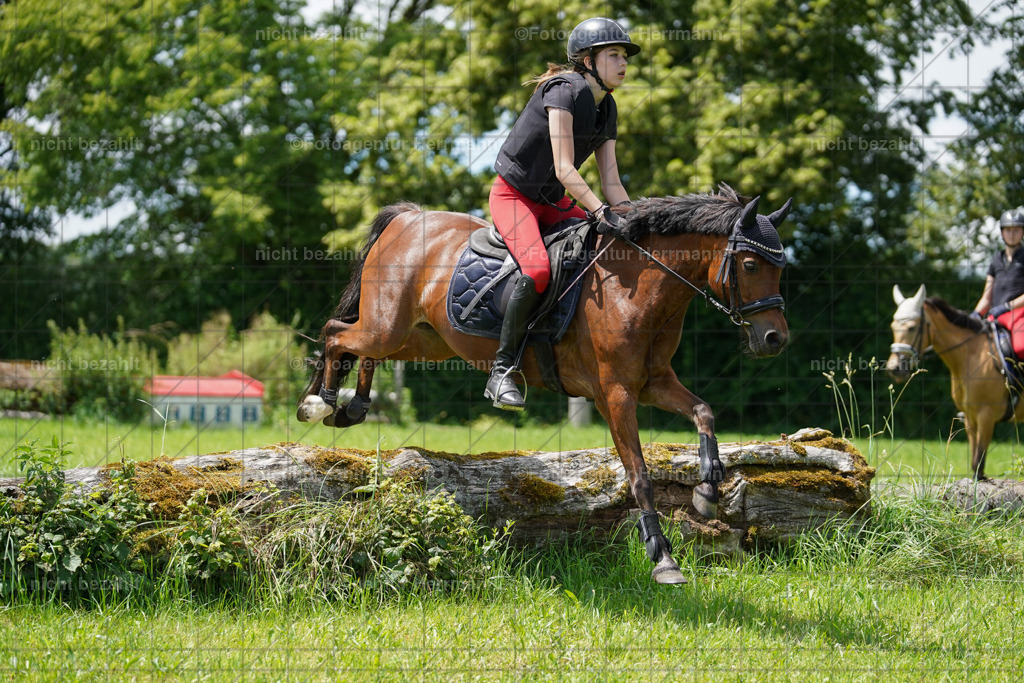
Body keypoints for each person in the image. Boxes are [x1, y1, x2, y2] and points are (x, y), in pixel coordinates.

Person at [485, 17, 640, 410]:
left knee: (603, 249)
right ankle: (502, 371)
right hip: (514, 197)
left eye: (624, 56)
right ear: (588, 61)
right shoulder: (562, 91)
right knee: (538, 270)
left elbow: (612, 181)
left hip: (554, 202)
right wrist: (599, 210)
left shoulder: (607, 108)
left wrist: (635, 220)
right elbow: (564, 168)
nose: (623, 62)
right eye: (614, 55)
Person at [973, 209, 1024, 356]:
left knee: (1020, 346)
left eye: (1016, 230)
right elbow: (986, 297)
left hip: (1020, 314)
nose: (1012, 234)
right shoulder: (996, 260)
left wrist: (1007, 306)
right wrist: (975, 314)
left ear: (1022, 232)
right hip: (995, 316)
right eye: (1008, 230)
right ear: (1002, 232)